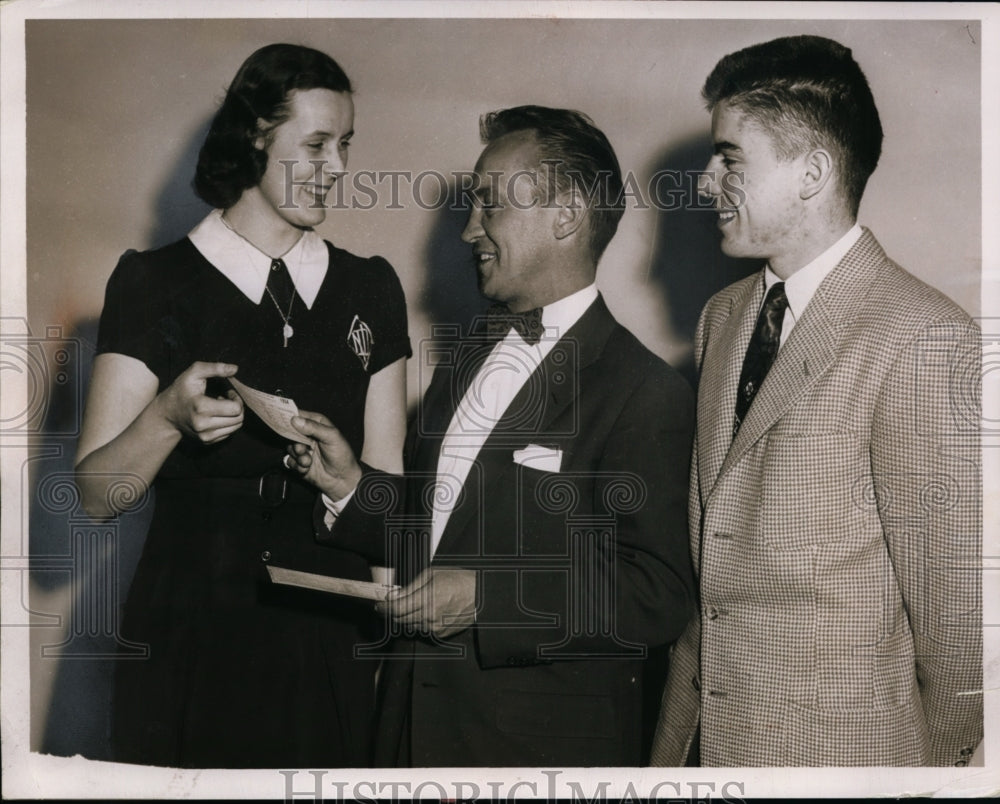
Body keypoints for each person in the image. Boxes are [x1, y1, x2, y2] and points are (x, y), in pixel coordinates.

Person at [287, 105, 696, 766]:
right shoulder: (470, 355)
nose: (469, 229)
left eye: (489, 205)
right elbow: (437, 526)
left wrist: (488, 597)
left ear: (566, 216)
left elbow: (657, 592)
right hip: (405, 737)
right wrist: (349, 489)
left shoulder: (645, 392)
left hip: (532, 755)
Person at [74, 44, 410, 768]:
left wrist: (348, 485)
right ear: (256, 134)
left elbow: (395, 516)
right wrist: (165, 418)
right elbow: (98, 497)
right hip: (188, 626)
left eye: (346, 145)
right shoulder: (153, 281)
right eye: (316, 144)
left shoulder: (371, 290)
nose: (339, 168)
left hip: (324, 633)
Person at [650, 35, 982, 767]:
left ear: (813, 173)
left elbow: (961, 629)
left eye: (731, 159)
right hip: (699, 750)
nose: (706, 184)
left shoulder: (925, 337)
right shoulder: (721, 319)